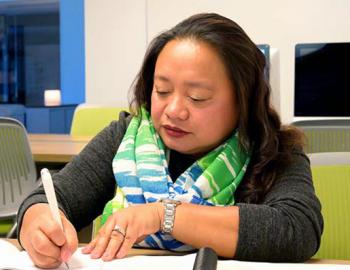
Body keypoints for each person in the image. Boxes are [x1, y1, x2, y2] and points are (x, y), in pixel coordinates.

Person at [17, 13, 323, 268]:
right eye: (162, 91)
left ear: (244, 101)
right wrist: (38, 222)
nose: (174, 111)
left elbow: (296, 229)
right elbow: (49, 197)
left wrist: (163, 214)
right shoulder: (126, 137)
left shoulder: (275, 151)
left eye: (197, 97)